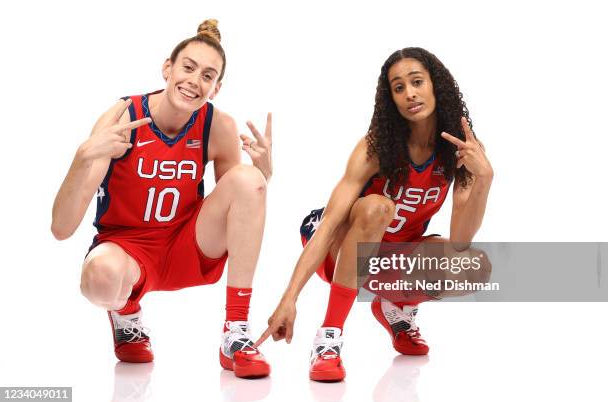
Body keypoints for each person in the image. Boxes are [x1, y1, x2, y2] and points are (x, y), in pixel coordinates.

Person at [51, 19, 273, 379]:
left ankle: (236, 332)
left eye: (207, 75)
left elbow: (241, 205)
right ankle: (126, 311)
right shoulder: (124, 116)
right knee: (100, 278)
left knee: (248, 179)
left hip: (186, 245)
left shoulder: (218, 125)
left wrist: (265, 173)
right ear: (167, 68)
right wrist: (83, 156)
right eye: (188, 67)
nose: (194, 81)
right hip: (127, 249)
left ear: (215, 88)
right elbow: (61, 228)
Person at [256, 47, 493, 382]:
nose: (410, 93)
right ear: (391, 99)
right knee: (377, 207)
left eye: (417, 82)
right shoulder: (376, 146)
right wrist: (289, 297)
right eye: (399, 87)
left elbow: (459, 242)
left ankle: (392, 306)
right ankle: (328, 339)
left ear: (435, 85)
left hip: (391, 255)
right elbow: (329, 225)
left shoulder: (460, 148)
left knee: (475, 266)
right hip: (338, 246)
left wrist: (484, 177)